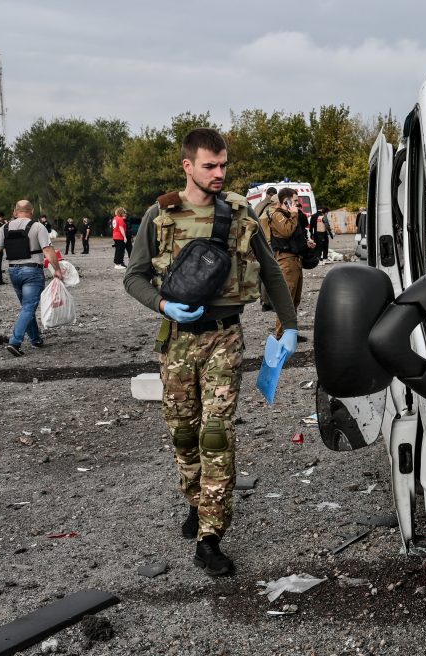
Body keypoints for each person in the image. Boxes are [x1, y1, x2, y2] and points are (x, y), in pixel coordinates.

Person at [124, 128, 299, 577]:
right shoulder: (159, 216)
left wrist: (289, 326)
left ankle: (210, 536)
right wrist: (163, 304)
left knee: (216, 435)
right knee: (183, 434)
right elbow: (135, 276)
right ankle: (197, 501)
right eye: (210, 166)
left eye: (223, 165)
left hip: (225, 337)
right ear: (187, 166)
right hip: (177, 340)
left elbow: (273, 275)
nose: (220, 173)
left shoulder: (240, 213)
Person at [0, 200, 64, 356]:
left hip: (13, 272)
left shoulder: (4, 228)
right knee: (28, 307)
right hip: (32, 271)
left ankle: (35, 339)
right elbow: (47, 250)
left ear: (14, 211)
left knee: (27, 307)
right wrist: (57, 269)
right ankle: (15, 342)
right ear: (31, 212)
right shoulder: (38, 226)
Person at [263, 187, 315, 339]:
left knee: (295, 300)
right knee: (287, 301)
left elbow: (297, 232)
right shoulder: (277, 215)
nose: (298, 204)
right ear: (285, 201)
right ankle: (281, 334)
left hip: (295, 260)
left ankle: (291, 331)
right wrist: (293, 213)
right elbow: (286, 231)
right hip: (286, 260)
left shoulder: (290, 215)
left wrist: (307, 242)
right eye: (295, 201)